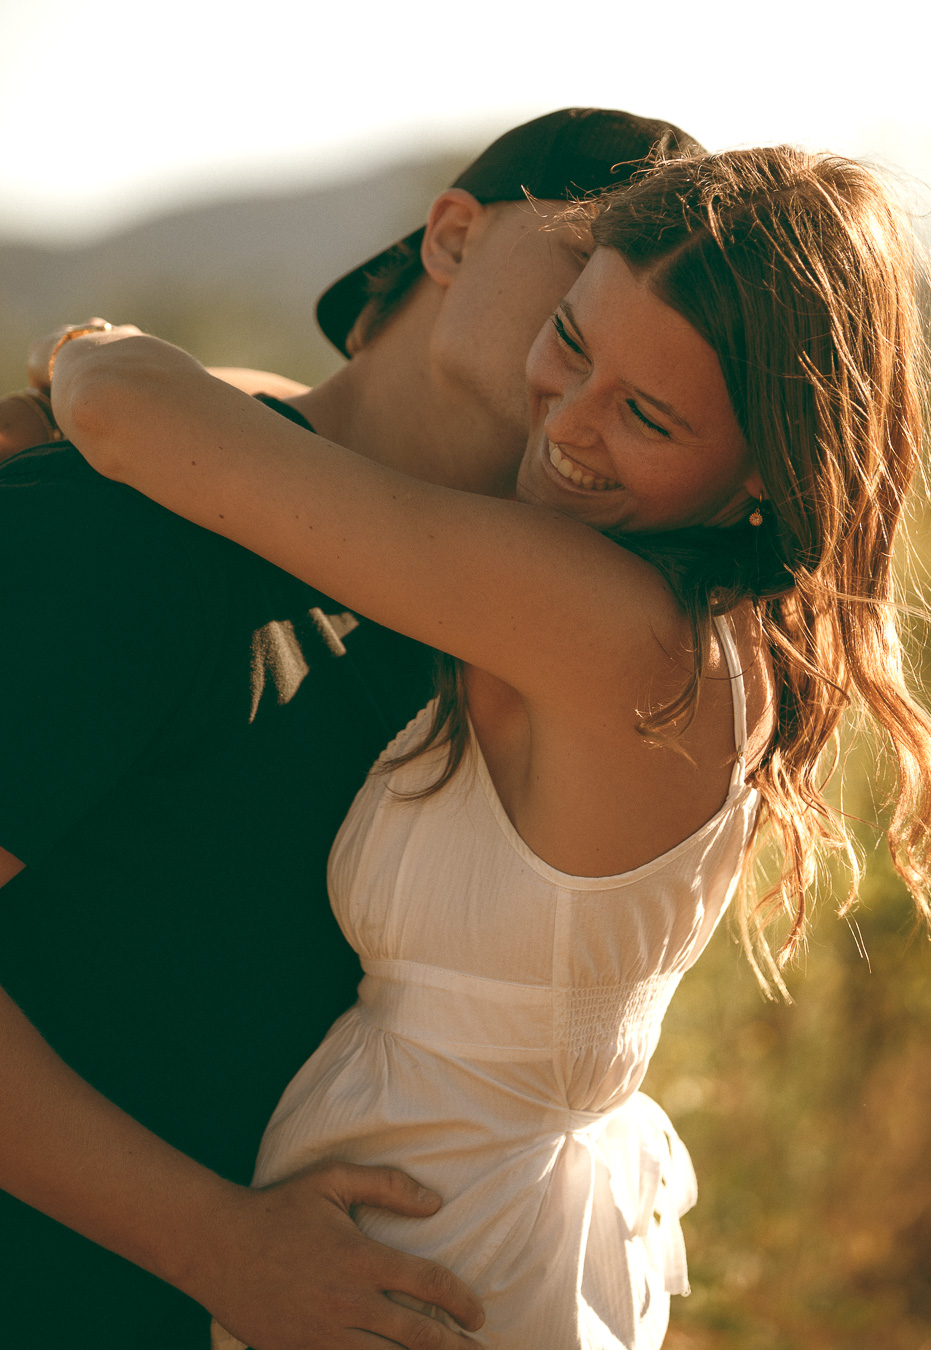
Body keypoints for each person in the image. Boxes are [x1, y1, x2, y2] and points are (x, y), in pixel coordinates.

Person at [48, 146, 931, 1349]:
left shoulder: (608, 630)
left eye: (647, 414)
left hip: (440, 1257)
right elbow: (333, 457)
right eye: (571, 341)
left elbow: (129, 412)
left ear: (765, 472)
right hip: (440, 1222)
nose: (569, 427)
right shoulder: (680, 605)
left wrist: (71, 355)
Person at [0, 108, 701, 1350]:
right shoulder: (128, 533)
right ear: (451, 237)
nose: (601, 322)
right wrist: (213, 1243)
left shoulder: (499, 646)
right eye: (587, 262)